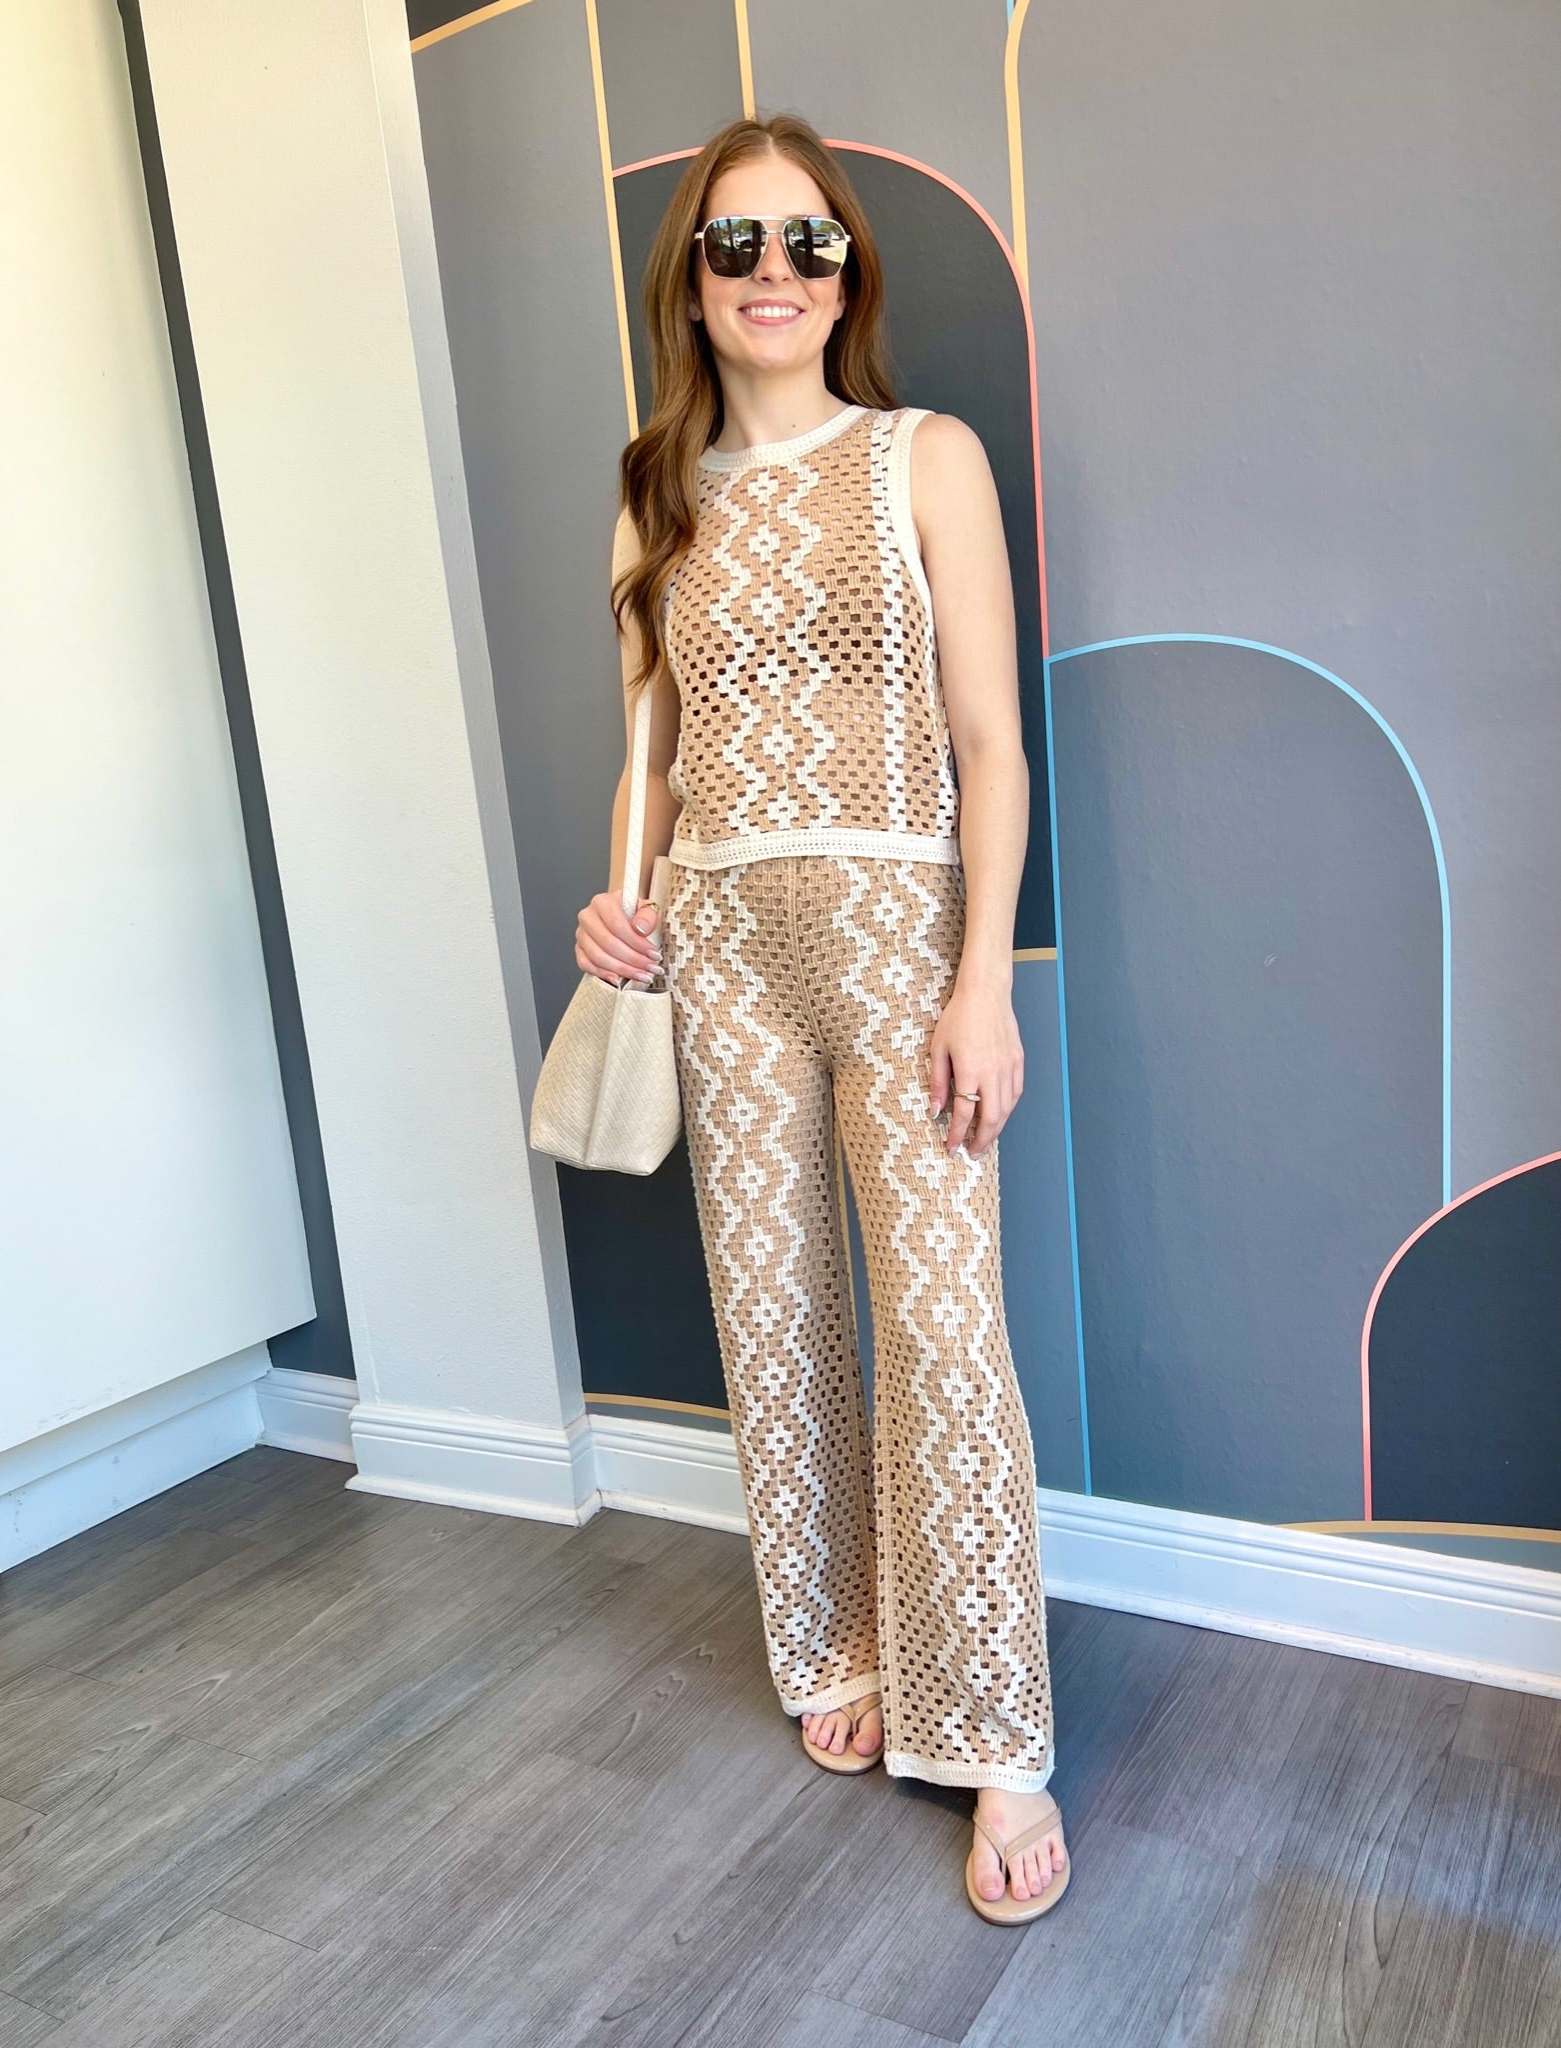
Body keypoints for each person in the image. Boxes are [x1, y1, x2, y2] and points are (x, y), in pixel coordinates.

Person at [574, 112, 1069, 1925]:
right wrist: (618, 896)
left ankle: (996, 1731)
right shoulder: (654, 490)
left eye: (807, 242)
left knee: (939, 1328)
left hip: (895, 933)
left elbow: (989, 745)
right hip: (716, 939)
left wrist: (978, 979)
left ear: (846, 275)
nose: (772, 273)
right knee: (772, 1315)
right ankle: (835, 1639)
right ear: (691, 283)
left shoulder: (922, 457)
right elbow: (648, 749)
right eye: (736, 244)